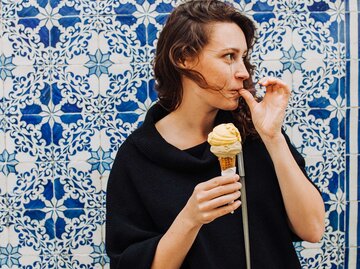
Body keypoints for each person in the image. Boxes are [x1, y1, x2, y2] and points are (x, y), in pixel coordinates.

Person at [105, 0, 325, 268]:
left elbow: (312, 229)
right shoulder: (137, 158)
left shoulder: (255, 135)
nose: (243, 72)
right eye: (229, 56)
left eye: (243, 57)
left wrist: (273, 138)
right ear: (183, 58)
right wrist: (190, 219)